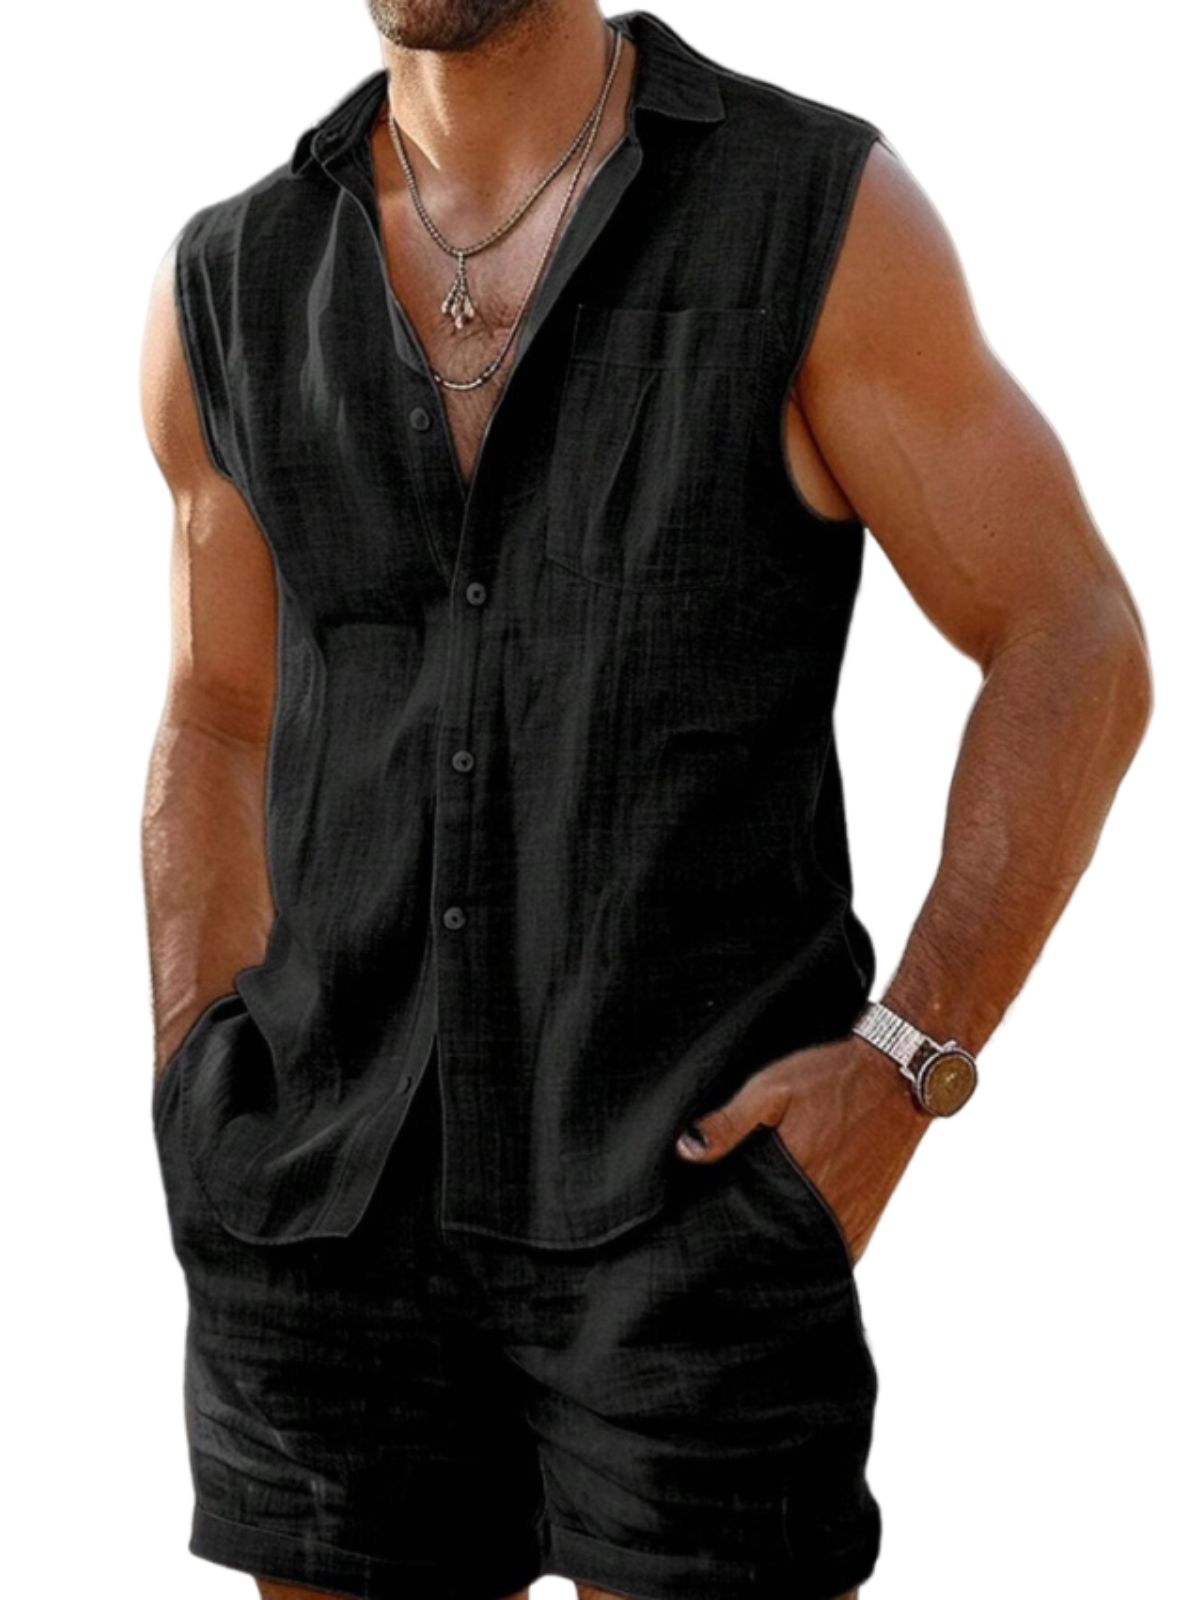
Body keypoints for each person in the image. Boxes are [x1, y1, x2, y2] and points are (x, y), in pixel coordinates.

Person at [138, 5, 1152, 1598]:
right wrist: (195, 1059)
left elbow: (1071, 638)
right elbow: (217, 711)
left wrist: (906, 1064)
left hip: (691, 1201)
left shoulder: (807, 214)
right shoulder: (233, 277)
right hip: (323, 1212)